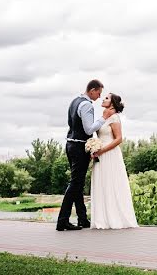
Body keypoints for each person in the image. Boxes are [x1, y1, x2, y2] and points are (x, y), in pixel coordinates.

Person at [56, 79, 105, 231]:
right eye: (98, 92)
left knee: (77, 183)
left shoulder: (74, 101)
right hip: (78, 147)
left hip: (70, 145)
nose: (99, 96)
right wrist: (103, 119)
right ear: (92, 90)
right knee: (75, 184)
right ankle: (62, 221)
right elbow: (89, 129)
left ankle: (82, 219)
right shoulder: (87, 105)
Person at [89, 93, 139, 229]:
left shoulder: (115, 117)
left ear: (112, 103)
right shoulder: (103, 117)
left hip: (110, 154)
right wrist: (93, 147)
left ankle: (115, 218)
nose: (103, 99)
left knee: (112, 183)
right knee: (101, 183)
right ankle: (102, 219)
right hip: (99, 153)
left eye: (106, 98)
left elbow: (118, 139)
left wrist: (102, 150)